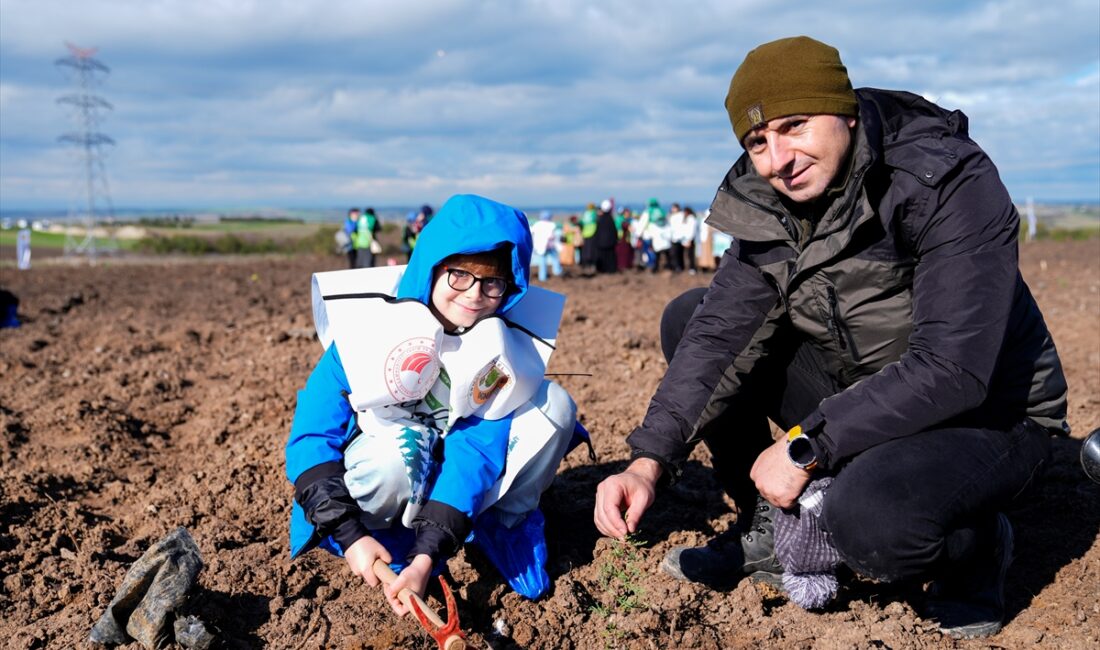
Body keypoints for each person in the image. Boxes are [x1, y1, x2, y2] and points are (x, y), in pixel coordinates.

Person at [594, 36, 1067, 639]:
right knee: (691, 317)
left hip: (990, 414)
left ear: (844, 112)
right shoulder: (768, 201)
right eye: (756, 142)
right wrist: (647, 463)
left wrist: (806, 444)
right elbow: (716, 338)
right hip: (870, 390)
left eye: (795, 126)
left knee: (872, 519)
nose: (777, 159)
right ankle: (767, 528)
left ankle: (975, 545)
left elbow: (953, 369)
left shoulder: (943, 178)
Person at [287, 194, 587, 613]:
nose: (475, 295)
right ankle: (381, 536)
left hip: (450, 483)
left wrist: (427, 555)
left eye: (493, 283)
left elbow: (474, 451)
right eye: (460, 275)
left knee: (552, 405)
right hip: (375, 483)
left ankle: (501, 526)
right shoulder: (365, 332)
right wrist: (350, 535)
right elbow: (311, 438)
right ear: (432, 266)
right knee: (398, 452)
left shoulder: (500, 354)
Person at [530, 210, 562, 282]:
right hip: (549, 245)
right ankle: (557, 271)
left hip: (540, 246)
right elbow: (553, 236)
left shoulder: (537, 224)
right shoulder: (552, 225)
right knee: (555, 258)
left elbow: (532, 233)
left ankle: (542, 277)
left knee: (542, 261)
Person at [593, 199, 619, 274]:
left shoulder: (600, 219)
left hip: (601, 243)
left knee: (603, 256)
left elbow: (597, 232)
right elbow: (614, 231)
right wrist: (615, 239)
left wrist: (596, 240)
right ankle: (610, 269)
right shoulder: (611, 219)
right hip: (610, 242)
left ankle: (603, 269)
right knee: (610, 256)